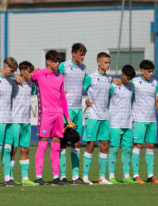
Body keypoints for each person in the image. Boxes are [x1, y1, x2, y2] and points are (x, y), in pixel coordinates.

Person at [32, 50, 73, 186]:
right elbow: (28, 76)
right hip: (46, 114)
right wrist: (21, 76)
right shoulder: (39, 74)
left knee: (56, 146)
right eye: (55, 61)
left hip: (58, 115)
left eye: (59, 62)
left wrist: (67, 118)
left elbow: (63, 98)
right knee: (43, 145)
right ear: (48, 61)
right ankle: (38, 176)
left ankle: (56, 176)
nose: (57, 64)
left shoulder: (60, 77)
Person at [57, 43, 88, 185]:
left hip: (77, 109)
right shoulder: (64, 66)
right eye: (81, 54)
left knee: (76, 141)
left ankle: (75, 177)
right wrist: (59, 92)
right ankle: (62, 176)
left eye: (84, 54)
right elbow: (54, 79)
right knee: (63, 142)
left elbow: (88, 82)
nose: (83, 57)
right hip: (65, 109)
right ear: (74, 53)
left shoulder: (83, 68)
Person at [131, 60, 158, 184]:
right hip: (139, 119)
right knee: (138, 145)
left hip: (152, 120)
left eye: (152, 71)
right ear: (142, 71)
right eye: (149, 71)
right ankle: (135, 175)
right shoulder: (135, 82)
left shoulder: (155, 83)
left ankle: (150, 176)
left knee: (150, 146)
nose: (151, 74)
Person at [82, 52, 113, 185]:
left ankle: (101, 177)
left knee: (105, 145)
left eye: (109, 63)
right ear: (99, 63)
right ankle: (84, 177)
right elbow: (80, 92)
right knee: (90, 145)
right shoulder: (90, 77)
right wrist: (86, 102)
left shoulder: (109, 79)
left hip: (105, 116)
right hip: (93, 115)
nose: (107, 65)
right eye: (105, 62)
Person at [107, 65, 139, 184]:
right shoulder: (113, 86)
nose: (130, 80)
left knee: (126, 150)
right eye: (128, 78)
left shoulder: (132, 87)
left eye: (131, 78)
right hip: (115, 123)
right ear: (122, 75)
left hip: (128, 123)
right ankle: (111, 176)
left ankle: (126, 176)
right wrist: (111, 79)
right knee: (114, 150)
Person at [0, 57, 19, 187]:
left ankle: (7, 178)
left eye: (14, 71)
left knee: (8, 149)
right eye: (11, 70)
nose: (12, 73)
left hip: (9, 119)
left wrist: (17, 77)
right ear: (5, 67)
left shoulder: (11, 81)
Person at [10, 61, 39, 186]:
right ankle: (9, 177)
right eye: (29, 71)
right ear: (22, 71)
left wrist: (37, 72)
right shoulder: (13, 83)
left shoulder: (31, 83)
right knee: (13, 150)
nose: (31, 74)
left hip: (26, 121)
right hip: (14, 121)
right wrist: (14, 77)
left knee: (25, 149)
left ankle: (25, 178)